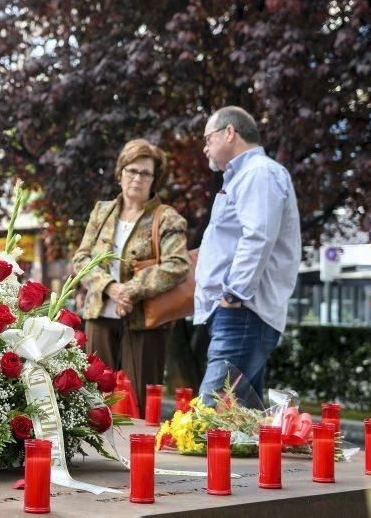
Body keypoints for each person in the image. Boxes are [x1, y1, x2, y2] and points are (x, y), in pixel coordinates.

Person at [72, 139, 190, 413]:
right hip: (99, 316)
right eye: (131, 170)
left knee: (137, 402)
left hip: (144, 323)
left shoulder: (167, 218)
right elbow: (81, 259)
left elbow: (178, 265)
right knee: (94, 398)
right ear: (120, 173)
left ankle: (138, 454)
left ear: (154, 179)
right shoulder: (102, 212)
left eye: (145, 173)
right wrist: (111, 288)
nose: (137, 178)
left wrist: (131, 290)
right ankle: (94, 454)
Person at [195, 106, 301, 407]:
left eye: (208, 138)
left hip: (242, 311)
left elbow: (258, 237)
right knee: (244, 423)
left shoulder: (259, 173)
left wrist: (234, 293)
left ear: (230, 132)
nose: (205, 147)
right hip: (240, 311)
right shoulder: (248, 175)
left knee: (207, 418)